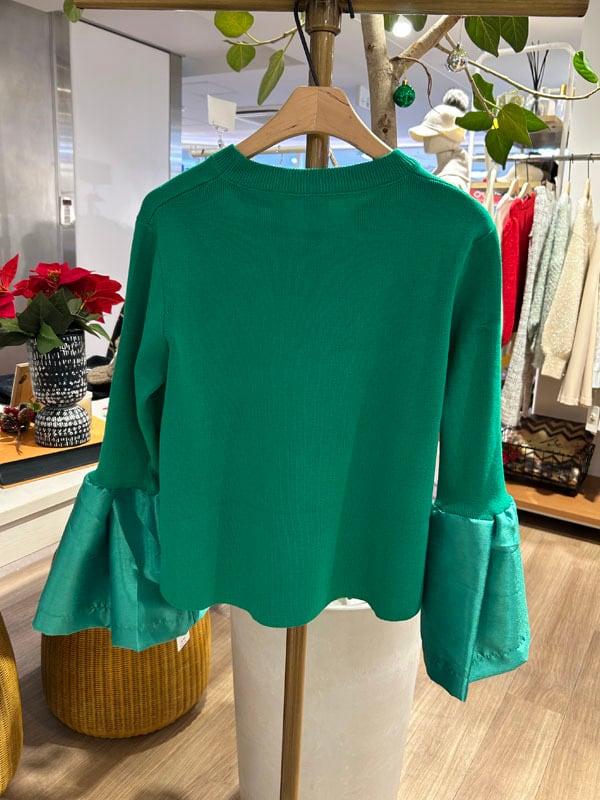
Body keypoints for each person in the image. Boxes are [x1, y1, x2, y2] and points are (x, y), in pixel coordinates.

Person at [408, 89, 470, 192]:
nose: (426, 138)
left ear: (452, 136)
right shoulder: (446, 175)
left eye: (432, 134)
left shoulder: (449, 181)